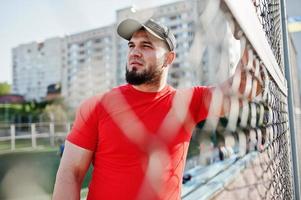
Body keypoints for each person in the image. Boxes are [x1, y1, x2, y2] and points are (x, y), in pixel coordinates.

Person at [52, 18, 259, 200]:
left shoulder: (187, 102)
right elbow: (70, 172)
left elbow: (246, 88)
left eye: (146, 46)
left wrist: (248, 33)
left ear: (169, 58)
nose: (135, 52)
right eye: (131, 45)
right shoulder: (97, 105)